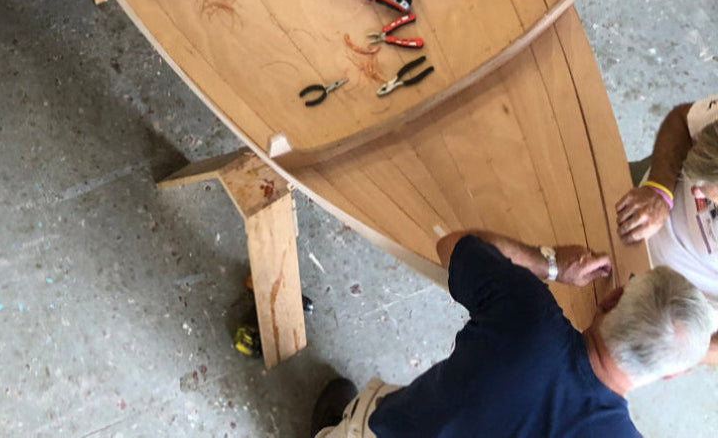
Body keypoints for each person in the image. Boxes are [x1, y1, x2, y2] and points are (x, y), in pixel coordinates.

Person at [307, 227, 714, 438]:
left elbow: (455, 246)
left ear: (612, 298)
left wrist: (550, 263)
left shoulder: (526, 311)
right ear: (672, 375)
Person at [614, 93, 718, 360]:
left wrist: (682, 347)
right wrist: (659, 191)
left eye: (713, 199)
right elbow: (683, 121)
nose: (696, 192)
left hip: (664, 309)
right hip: (639, 195)